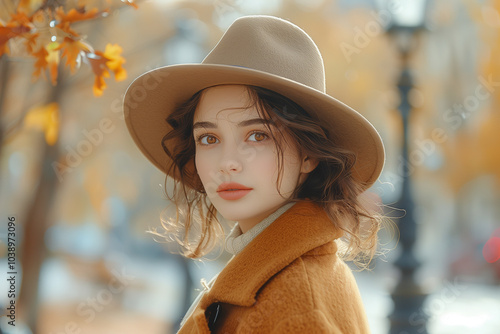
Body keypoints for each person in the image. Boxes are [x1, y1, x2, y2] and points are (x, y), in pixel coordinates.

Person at [124, 15, 386, 333]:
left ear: (309, 154)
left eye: (257, 135)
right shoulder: (270, 274)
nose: (228, 162)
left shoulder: (298, 304)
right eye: (209, 138)